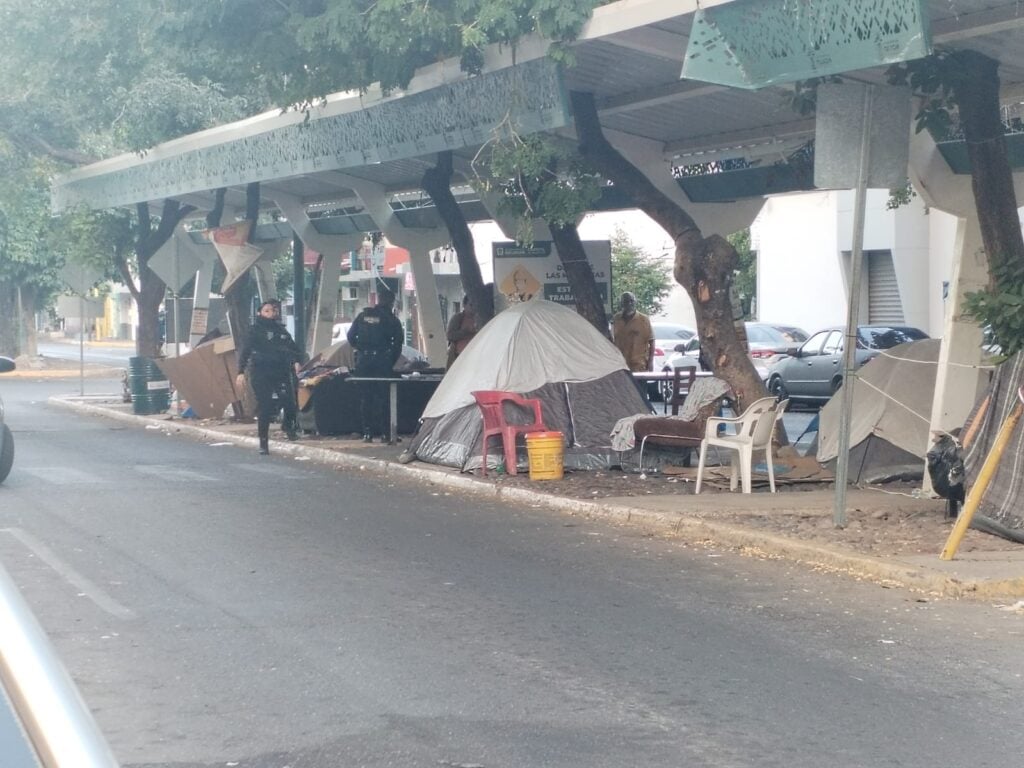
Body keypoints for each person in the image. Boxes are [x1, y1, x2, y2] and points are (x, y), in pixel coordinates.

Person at [235, 298, 304, 455]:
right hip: (261, 372)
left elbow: (294, 349)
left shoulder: (281, 331)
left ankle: (289, 427)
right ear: (260, 313)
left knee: (289, 402)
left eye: (273, 310)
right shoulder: (254, 331)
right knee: (265, 406)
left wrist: (297, 361)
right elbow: (245, 351)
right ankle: (263, 442)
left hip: (281, 371)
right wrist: (240, 371)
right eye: (267, 311)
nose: (271, 313)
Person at [347, 288, 404, 442]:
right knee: (384, 397)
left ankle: (368, 433)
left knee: (366, 398)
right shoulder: (392, 320)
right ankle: (386, 434)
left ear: (378, 299)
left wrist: (361, 349)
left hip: (364, 361)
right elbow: (398, 344)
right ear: (391, 302)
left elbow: (350, 336)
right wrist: (388, 359)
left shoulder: (363, 316)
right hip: (381, 362)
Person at [611, 291, 654, 373]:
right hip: (620, 365)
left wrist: (651, 362)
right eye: (626, 301)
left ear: (635, 302)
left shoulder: (644, 319)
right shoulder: (616, 319)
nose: (629, 304)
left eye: (631, 301)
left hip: (638, 365)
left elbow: (651, 341)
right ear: (621, 303)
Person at [445, 295, 478, 368]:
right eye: (471, 305)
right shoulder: (458, 318)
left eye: (475, 305)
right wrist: (465, 332)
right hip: (460, 355)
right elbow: (450, 335)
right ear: (464, 305)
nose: (473, 308)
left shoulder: (479, 318)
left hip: (476, 355)